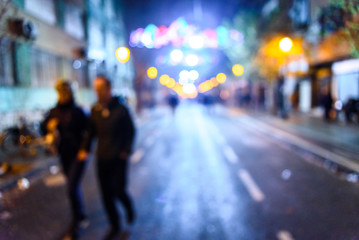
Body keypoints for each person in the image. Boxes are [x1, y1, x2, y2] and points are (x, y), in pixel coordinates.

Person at [78, 75, 136, 240]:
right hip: (102, 158)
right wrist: (84, 149)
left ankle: (128, 207)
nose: (98, 92)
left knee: (119, 190)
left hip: (118, 158)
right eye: (96, 89)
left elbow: (130, 131)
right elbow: (90, 134)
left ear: (109, 89)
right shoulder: (95, 110)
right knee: (106, 195)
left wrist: (126, 150)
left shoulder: (121, 109)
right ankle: (115, 225)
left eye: (101, 88)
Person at [40, 80, 88, 239]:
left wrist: (84, 149)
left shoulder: (78, 111)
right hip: (64, 155)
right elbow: (43, 128)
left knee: (71, 188)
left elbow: (88, 132)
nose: (63, 95)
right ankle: (80, 213)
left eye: (65, 92)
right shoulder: (54, 111)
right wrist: (49, 126)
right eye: (60, 92)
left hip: (78, 155)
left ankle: (75, 225)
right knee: (72, 186)